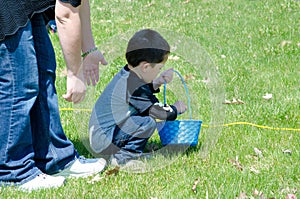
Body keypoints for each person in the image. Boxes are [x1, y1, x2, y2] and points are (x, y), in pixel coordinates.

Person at [0, 0, 107, 191]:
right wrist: (75, 74)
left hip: (24, 5)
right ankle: (13, 171)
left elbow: (79, 3)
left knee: (44, 70)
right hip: (6, 8)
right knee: (19, 81)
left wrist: (89, 50)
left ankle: (55, 158)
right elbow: (66, 15)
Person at [88, 29, 187, 168]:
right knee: (147, 122)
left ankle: (126, 150)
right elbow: (158, 112)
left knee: (142, 116)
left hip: (102, 136)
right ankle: (123, 158)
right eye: (159, 68)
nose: (159, 71)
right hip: (103, 142)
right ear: (146, 67)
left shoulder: (129, 75)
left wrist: (157, 82)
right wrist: (176, 108)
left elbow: (141, 94)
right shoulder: (133, 85)